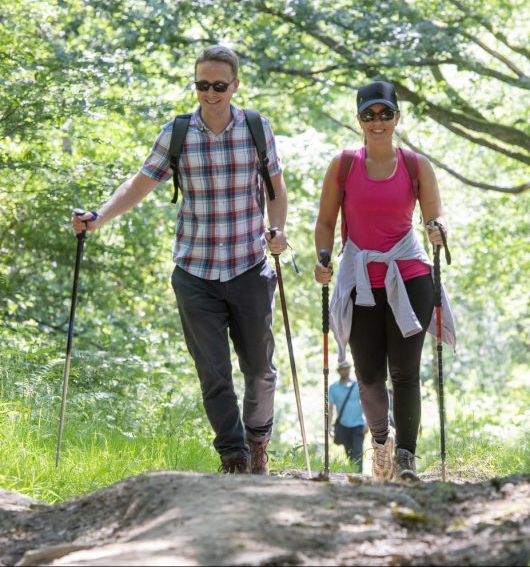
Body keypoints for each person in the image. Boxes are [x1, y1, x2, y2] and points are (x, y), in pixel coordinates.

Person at [72, 45, 288, 475]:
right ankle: (233, 456)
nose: (210, 93)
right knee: (213, 373)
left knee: (260, 370)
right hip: (195, 272)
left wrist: (278, 230)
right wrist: (98, 218)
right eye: (202, 85)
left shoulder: (257, 130)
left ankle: (257, 440)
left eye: (219, 85)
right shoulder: (178, 133)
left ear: (235, 86)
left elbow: (275, 190)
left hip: (249, 266)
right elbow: (139, 184)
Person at [314, 81, 455, 482]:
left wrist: (439, 230)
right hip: (361, 280)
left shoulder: (415, 165)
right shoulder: (344, 164)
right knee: (369, 375)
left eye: (385, 114)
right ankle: (381, 445)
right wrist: (322, 259)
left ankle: (407, 459)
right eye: (368, 115)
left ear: (396, 117)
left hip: (409, 275)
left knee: (406, 372)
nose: (377, 122)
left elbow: (437, 215)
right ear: (358, 119)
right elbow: (325, 223)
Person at [329, 361, 367, 472]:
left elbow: (366, 403)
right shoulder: (333, 388)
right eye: (343, 369)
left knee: (358, 452)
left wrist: (367, 422)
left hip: (358, 425)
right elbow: (330, 408)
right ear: (339, 371)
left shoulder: (358, 386)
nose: (346, 371)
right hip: (343, 425)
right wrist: (329, 426)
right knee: (349, 453)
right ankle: (353, 474)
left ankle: (359, 476)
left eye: (347, 368)